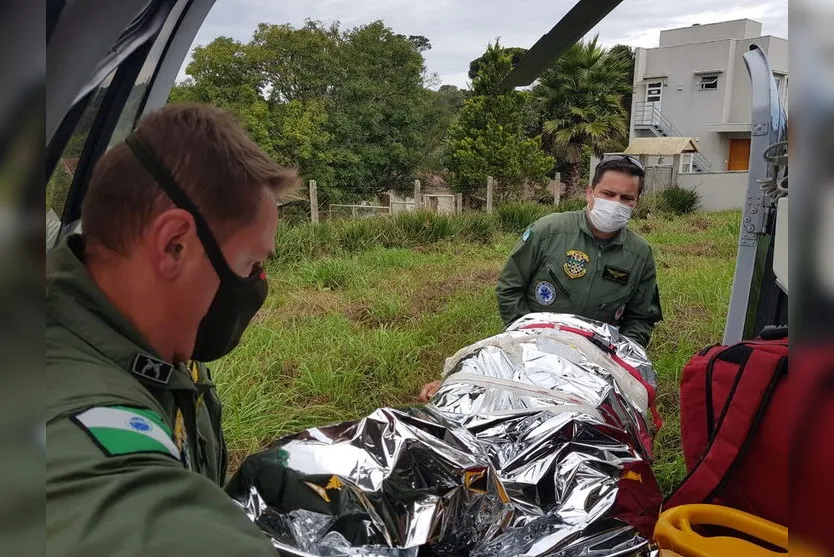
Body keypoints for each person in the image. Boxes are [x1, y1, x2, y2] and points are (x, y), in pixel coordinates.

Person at [46, 103, 299, 555]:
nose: (257, 286)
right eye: (251, 265)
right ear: (174, 245)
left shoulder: (157, 350)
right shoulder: (62, 407)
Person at [418, 155, 662, 403]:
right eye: (608, 194)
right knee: (478, 394)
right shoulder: (548, 231)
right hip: (531, 347)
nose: (615, 203)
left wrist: (616, 362)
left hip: (595, 362)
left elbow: (641, 319)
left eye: (626, 198)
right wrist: (525, 341)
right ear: (590, 193)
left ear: (636, 203)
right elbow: (510, 288)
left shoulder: (639, 254)